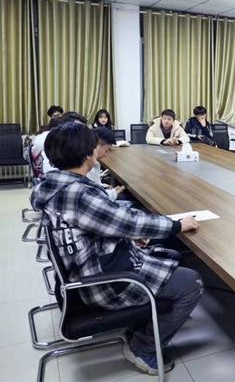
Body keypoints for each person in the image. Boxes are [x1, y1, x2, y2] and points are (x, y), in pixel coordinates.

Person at [30, 122, 202, 376]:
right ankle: (142, 347)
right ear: (87, 154)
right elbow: (129, 222)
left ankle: (141, 326)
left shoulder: (54, 185)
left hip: (88, 268)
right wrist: (177, 225)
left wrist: (129, 238)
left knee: (171, 256)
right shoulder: (78, 193)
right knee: (192, 284)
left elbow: (104, 224)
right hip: (103, 282)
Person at [87, 128, 125, 202]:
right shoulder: (84, 167)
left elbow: (96, 184)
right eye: (106, 150)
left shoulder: (95, 164)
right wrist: (115, 192)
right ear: (96, 146)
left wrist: (105, 187)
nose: (106, 155)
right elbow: (93, 199)